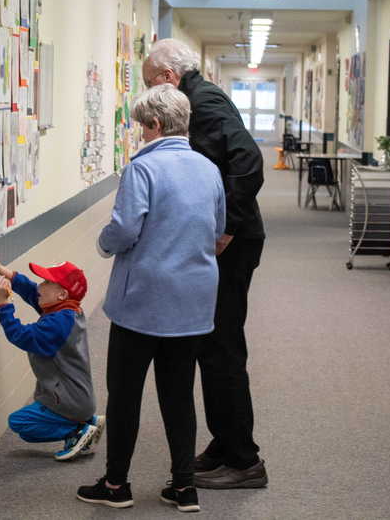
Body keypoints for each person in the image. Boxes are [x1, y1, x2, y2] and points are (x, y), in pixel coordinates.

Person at [76, 84, 225, 513]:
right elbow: (217, 230)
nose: (140, 134)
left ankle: (116, 484)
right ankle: (183, 487)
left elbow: (124, 230)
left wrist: (104, 244)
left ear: (155, 125)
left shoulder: (142, 169)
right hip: (192, 302)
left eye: (142, 126)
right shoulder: (207, 169)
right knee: (179, 395)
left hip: (142, 301)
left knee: (125, 395)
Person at [142, 39, 268, 490]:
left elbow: (249, 161)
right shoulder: (200, 98)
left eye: (149, 87)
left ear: (166, 79)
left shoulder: (205, 101)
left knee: (222, 351)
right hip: (225, 242)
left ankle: (244, 460)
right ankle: (224, 444)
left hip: (232, 246)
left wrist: (227, 227)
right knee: (210, 347)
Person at [0, 247, 104, 461]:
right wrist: (7, 273)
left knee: (20, 423)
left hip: (69, 401)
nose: (40, 285)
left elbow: (21, 336)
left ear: (62, 294)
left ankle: (76, 431)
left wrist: (3, 305)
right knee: (26, 427)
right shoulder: (65, 310)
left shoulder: (57, 323)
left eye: (47, 283)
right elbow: (35, 293)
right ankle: (84, 422)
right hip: (78, 397)